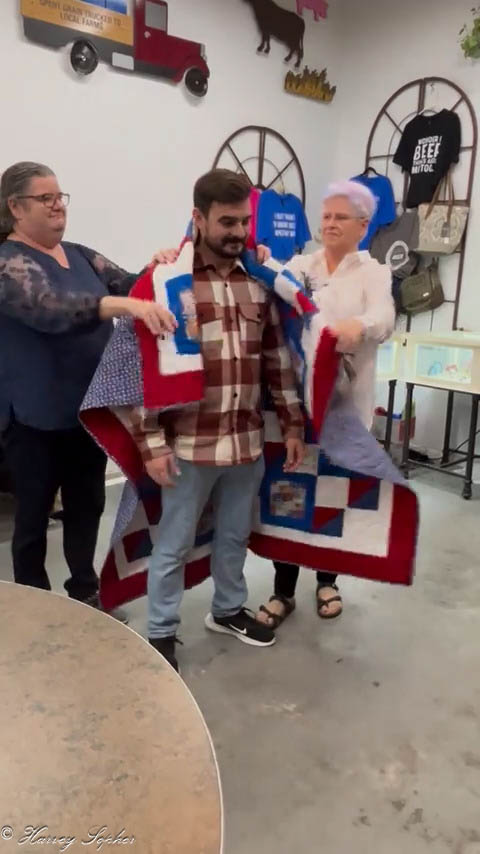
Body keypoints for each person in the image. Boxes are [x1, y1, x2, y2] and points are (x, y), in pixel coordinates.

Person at [130, 169, 305, 671]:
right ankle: (161, 630)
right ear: (198, 218)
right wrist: (150, 443)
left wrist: (292, 424)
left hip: (245, 440)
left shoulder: (260, 280)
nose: (238, 232)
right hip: (188, 444)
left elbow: (276, 359)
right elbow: (144, 368)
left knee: (234, 536)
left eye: (245, 222)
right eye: (227, 222)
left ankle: (227, 610)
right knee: (174, 544)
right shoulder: (169, 279)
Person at [0, 161, 175, 611]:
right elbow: (50, 308)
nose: (57, 206)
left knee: (87, 505)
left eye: (60, 197)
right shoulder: (7, 262)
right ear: (15, 207)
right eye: (45, 198)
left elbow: (131, 284)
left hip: (89, 410)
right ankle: (33, 603)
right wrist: (122, 305)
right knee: (34, 515)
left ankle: (84, 590)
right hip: (34, 418)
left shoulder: (79, 255)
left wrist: (158, 266)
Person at [255, 180, 395, 628]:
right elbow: (269, 276)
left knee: (333, 495)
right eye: (326, 216)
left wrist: (361, 325)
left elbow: (385, 317)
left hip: (344, 409)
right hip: (295, 410)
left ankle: (327, 581)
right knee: (288, 493)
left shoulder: (374, 273)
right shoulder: (302, 265)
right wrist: (258, 256)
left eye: (340, 217)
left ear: (363, 226)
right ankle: (282, 589)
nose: (330, 224)